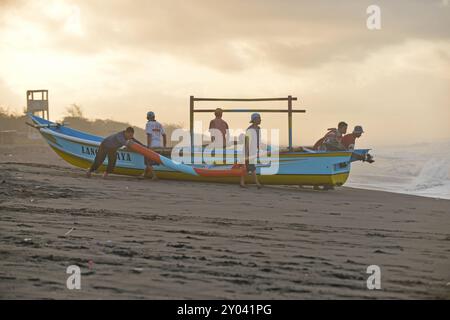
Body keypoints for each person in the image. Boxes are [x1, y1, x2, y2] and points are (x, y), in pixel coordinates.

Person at [240, 113, 263, 189]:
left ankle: (242, 182)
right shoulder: (249, 129)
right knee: (251, 167)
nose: (260, 119)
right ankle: (257, 183)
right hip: (248, 150)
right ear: (254, 120)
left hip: (253, 150)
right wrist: (246, 153)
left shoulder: (258, 129)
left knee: (246, 167)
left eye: (260, 118)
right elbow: (247, 141)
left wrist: (259, 150)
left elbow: (258, 141)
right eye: (258, 118)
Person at [143, 111, 167, 179]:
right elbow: (164, 135)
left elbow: (149, 135)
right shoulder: (159, 124)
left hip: (152, 146)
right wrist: (164, 146)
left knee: (148, 162)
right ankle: (143, 174)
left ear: (148, 117)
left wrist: (148, 147)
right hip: (159, 145)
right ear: (154, 117)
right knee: (150, 161)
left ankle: (154, 176)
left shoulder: (148, 124)